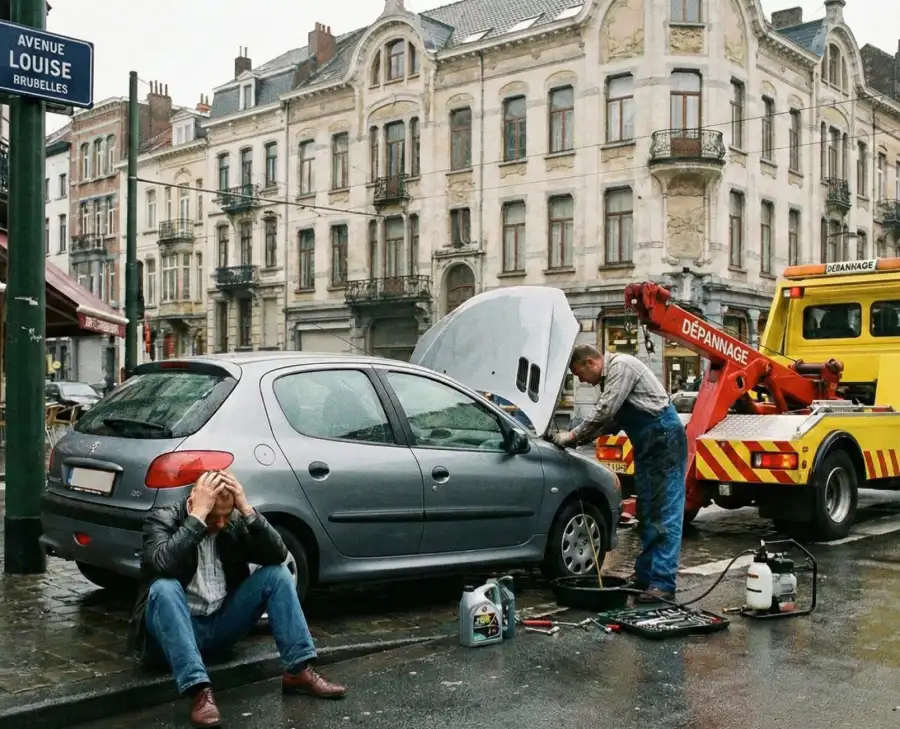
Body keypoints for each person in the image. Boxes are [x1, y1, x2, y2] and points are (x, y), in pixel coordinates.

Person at [128, 470, 346, 727]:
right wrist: (197, 520)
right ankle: (199, 691)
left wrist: (245, 508)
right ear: (192, 504)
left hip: (220, 625)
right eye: (213, 516)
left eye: (226, 515)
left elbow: (277, 554)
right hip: (171, 636)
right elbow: (161, 564)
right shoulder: (162, 519)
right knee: (163, 588)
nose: (221, 523)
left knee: (276, 575)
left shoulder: (230, 522)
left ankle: (298, 671)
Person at [552, 344, 687, 604]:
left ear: (591, 362)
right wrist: (578, 439)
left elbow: (605, 411)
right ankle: (646, 576)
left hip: (663, 439)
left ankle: (663, 582)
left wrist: (571, 436)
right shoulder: (612, 376)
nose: (582, 381)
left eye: (580, 374)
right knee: (648, 510)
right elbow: (610, 423)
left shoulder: (620, 367)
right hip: (650, 443)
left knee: (665, 512)